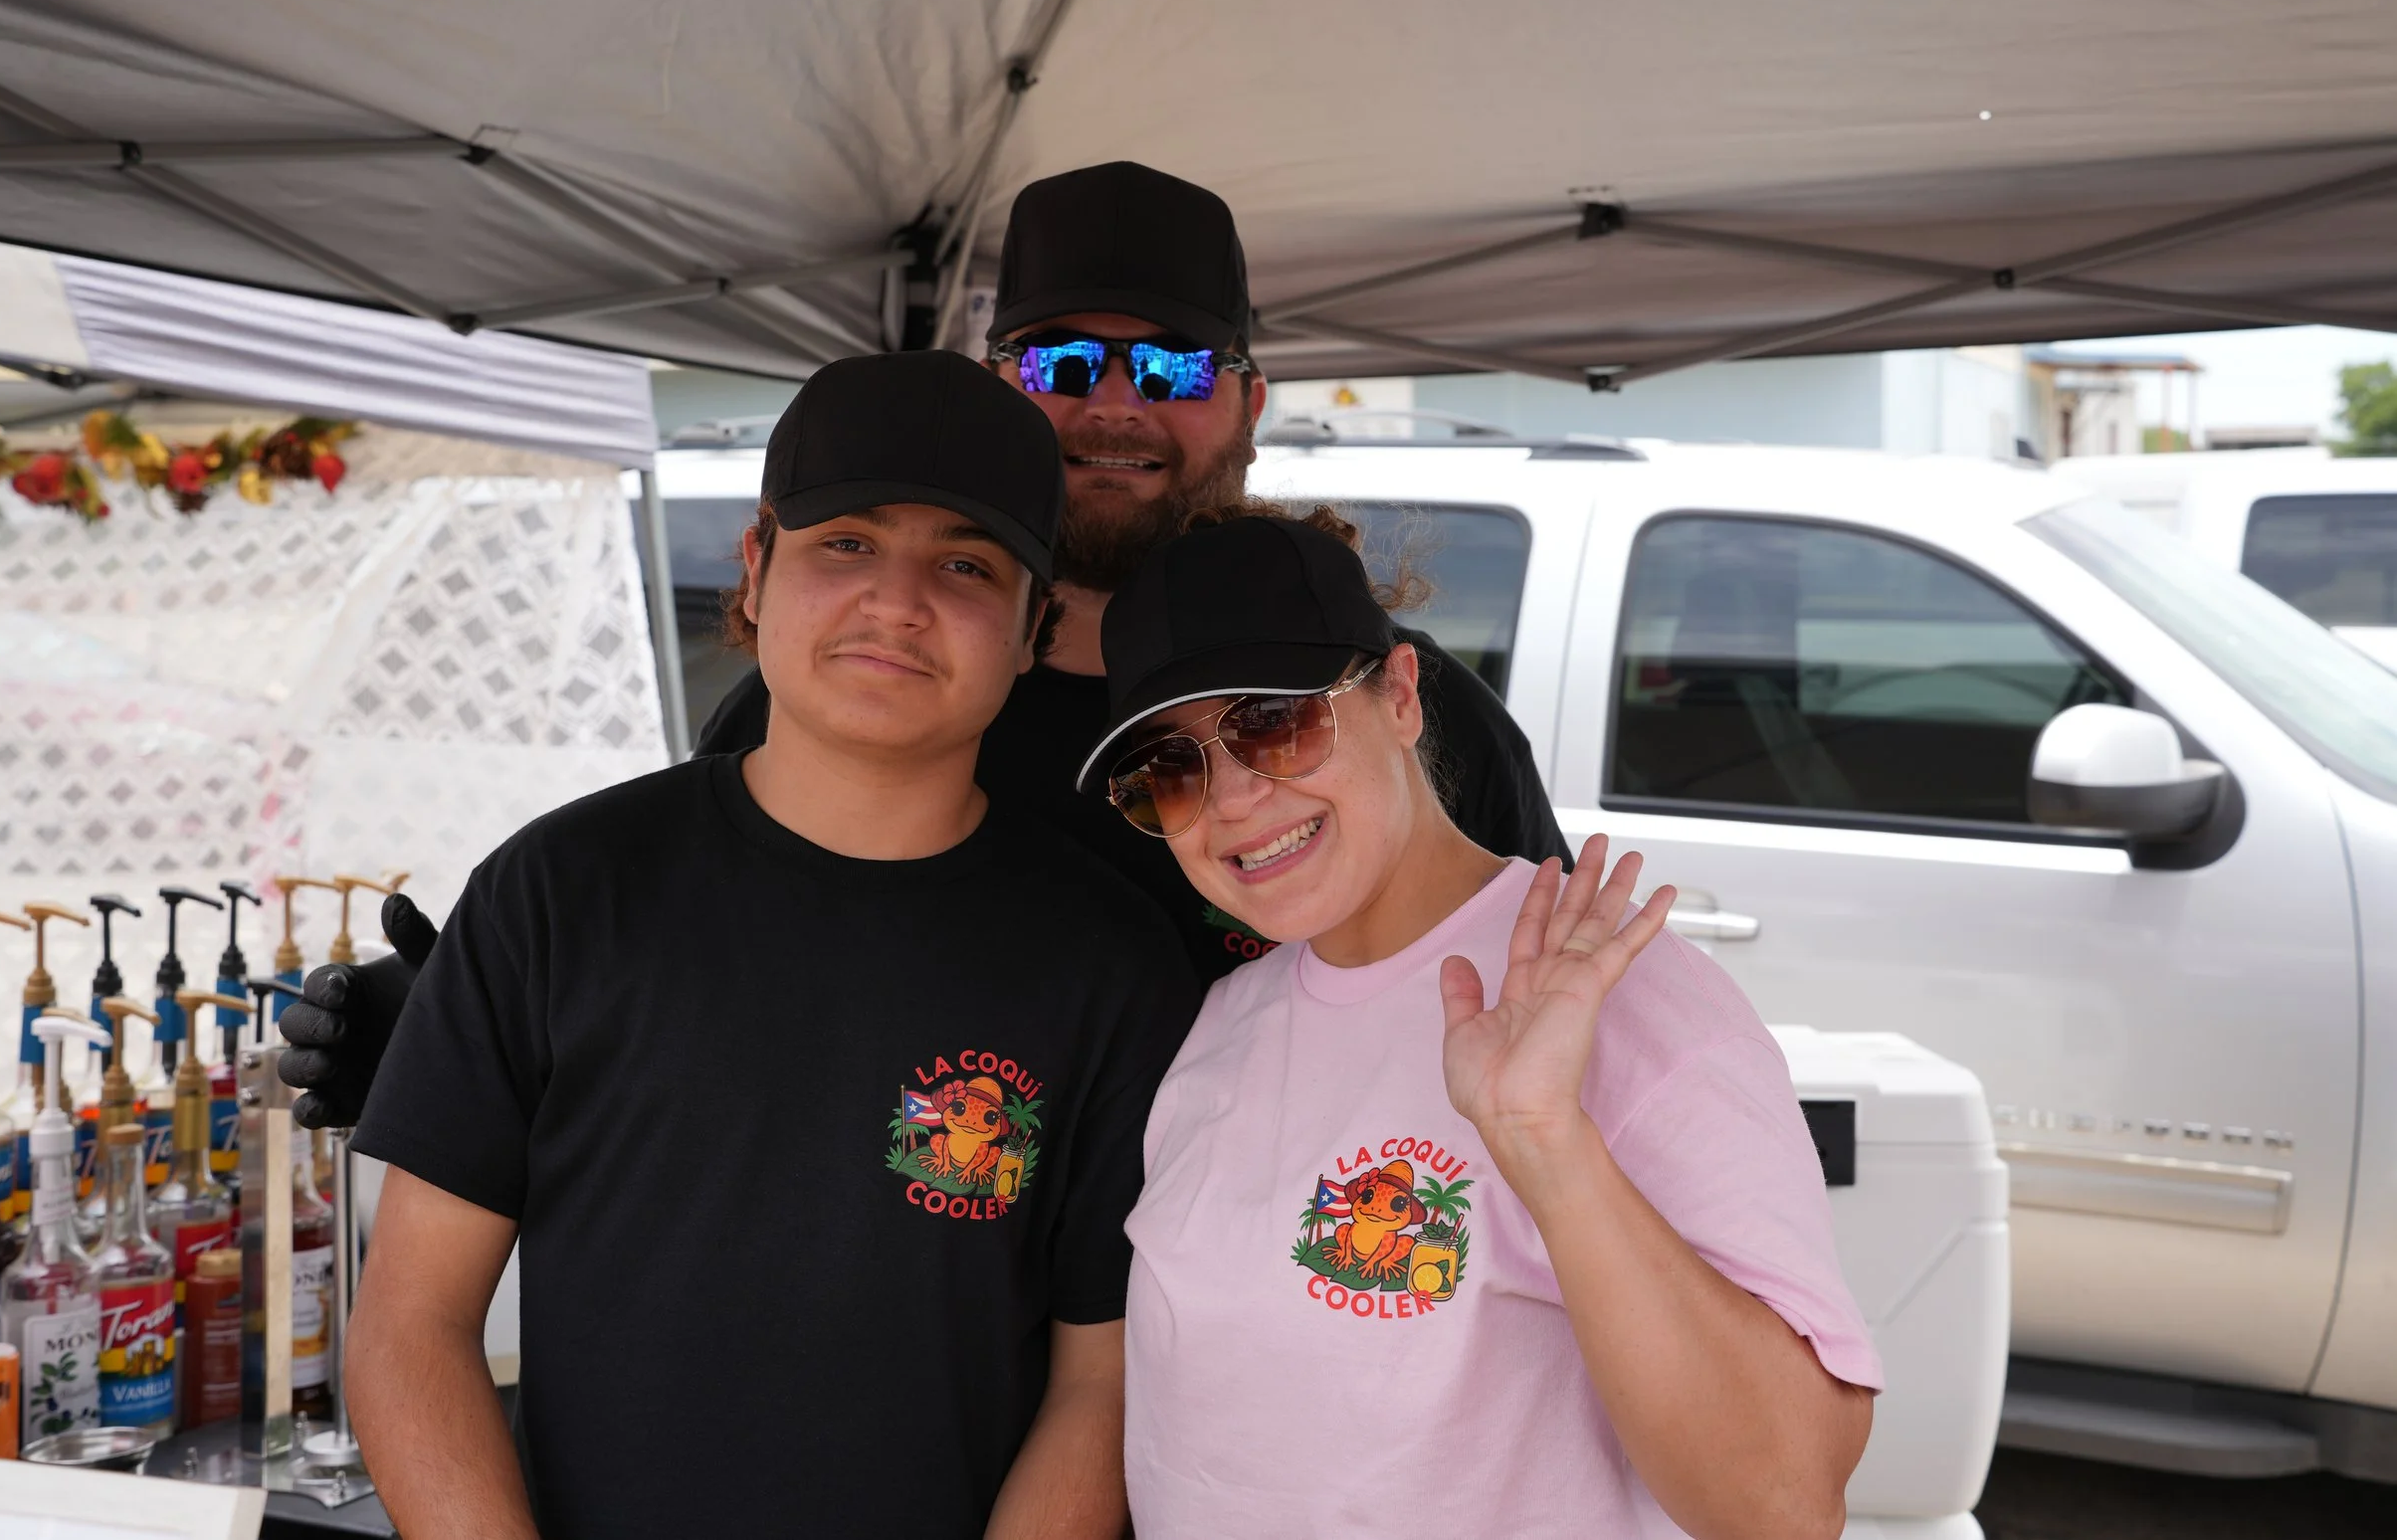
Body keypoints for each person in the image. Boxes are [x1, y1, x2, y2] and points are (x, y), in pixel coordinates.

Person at [282, 158, 1565, 1115]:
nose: (1115, 405)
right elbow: (694, 955)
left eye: (1174, 367)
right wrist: (484, 1034)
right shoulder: (866, 686)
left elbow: (1553, 1023)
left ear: (1250, 403)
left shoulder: (1387, 714)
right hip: (916, 1369)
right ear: (1000, 383)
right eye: (1063, 363)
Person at [343, 352, 1195, 1540]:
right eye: (844, 542)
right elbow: (410, 1322)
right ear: (753, 572)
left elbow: (1099, 1384)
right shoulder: (561, 889)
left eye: (963, 563)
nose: (895, 601)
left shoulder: (1110, 961)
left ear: (1033, 628)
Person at [1085, 508, 1880, 1539]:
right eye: (1173, 767)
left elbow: (1781, 1504)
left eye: (1274, 720)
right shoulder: (1223, 1023)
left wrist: (1545, 1138)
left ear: (1402, 695)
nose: (1232, 797)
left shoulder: (1623, 998)